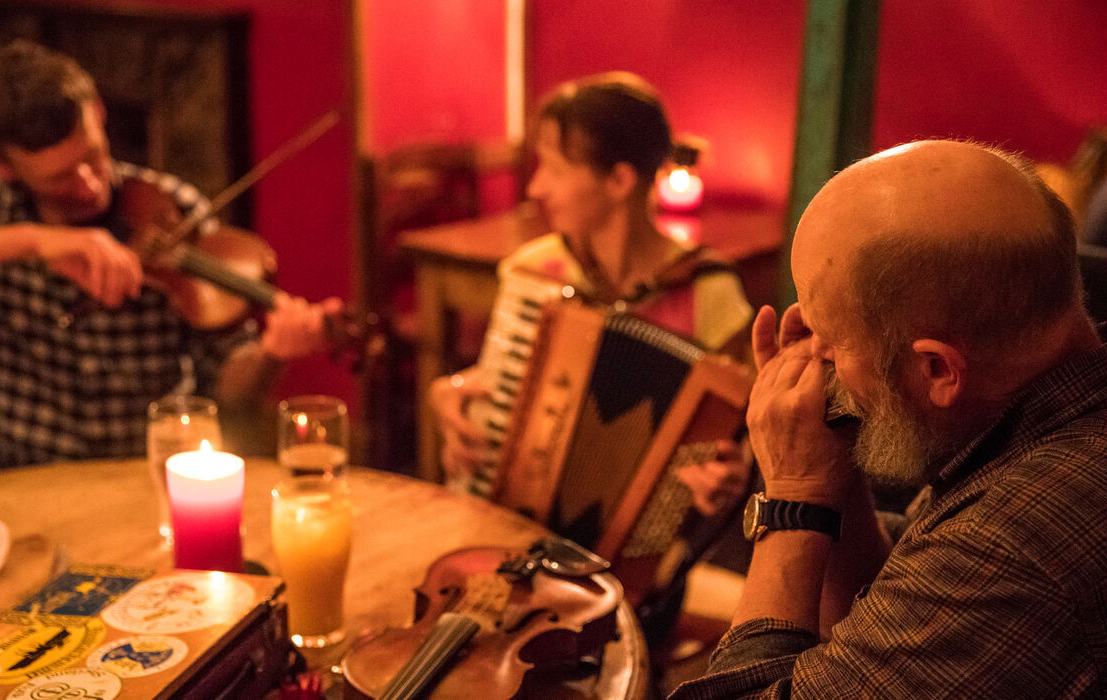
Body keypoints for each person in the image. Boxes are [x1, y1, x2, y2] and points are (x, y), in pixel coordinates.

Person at [670, 140, 1107, 698]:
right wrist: (832, 476)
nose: (815, 356)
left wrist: (792, 499)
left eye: (835, 340)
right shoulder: (1040, 419)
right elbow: (896, 610)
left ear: (938, 369)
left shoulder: (1015, 546)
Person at [0, 40, 334, 469]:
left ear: (98, 113)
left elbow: (228, 388)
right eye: (60, 178)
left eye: (93, 156)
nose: (90, 184)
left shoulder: (173, 210)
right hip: (15, 474)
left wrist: (272, 355)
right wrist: (32, 241)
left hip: (143, 473)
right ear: (3, 169)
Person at [429, 72, 753, 512]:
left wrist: (728, 475)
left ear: (619, 182)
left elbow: (739, 441)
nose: (535, 188)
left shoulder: (709, 291)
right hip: (524, 525)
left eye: (556, 170)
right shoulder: (534, 275)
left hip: (645, 544)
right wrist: (455, 394)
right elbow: (501, 397)